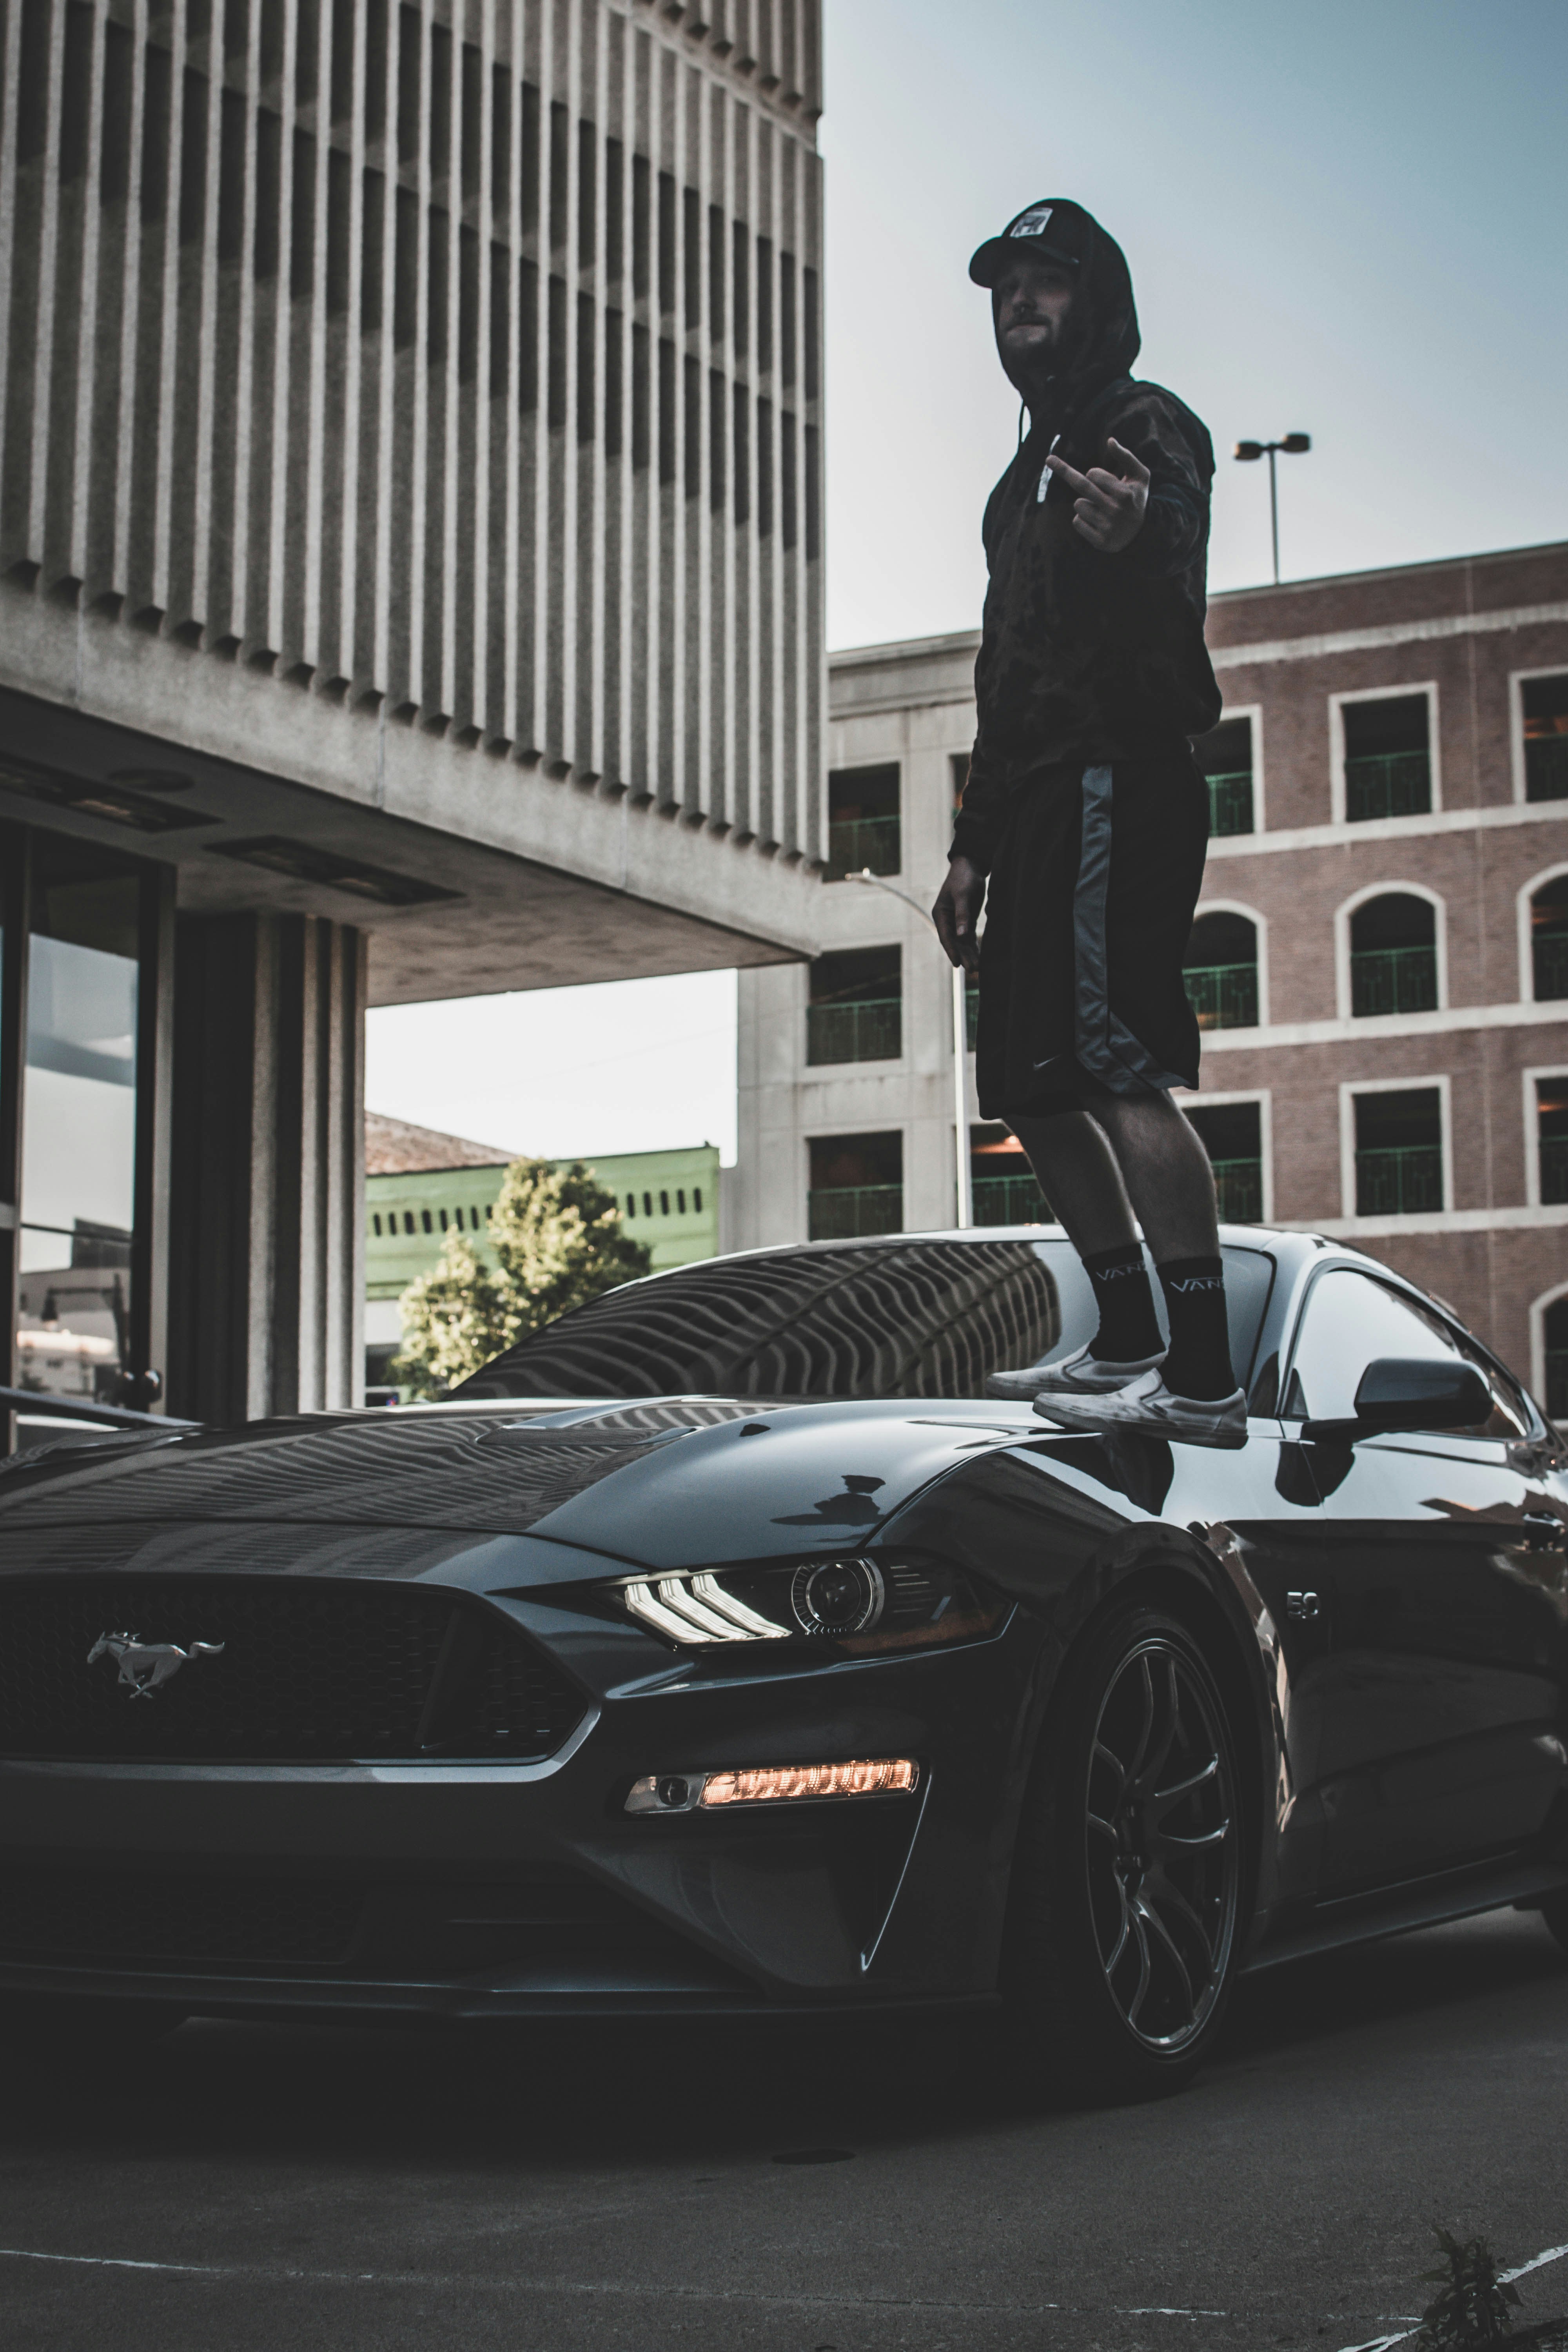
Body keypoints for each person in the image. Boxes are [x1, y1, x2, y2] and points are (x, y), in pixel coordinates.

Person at [932, 199, 1244, 1443]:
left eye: (1046, 280)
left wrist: (1138, 530)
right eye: (1006, 285)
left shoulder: (1141, 422)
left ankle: (1205, 1375)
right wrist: (970, 844)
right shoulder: (1019, 487)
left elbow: (1170, 534)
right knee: (1030, 1083)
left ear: (1094, 297)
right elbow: (1005, 676)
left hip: (1125, 770)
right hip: (1042, 790)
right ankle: (1127, 1341)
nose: (1021, 303)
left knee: (1114, 1065)